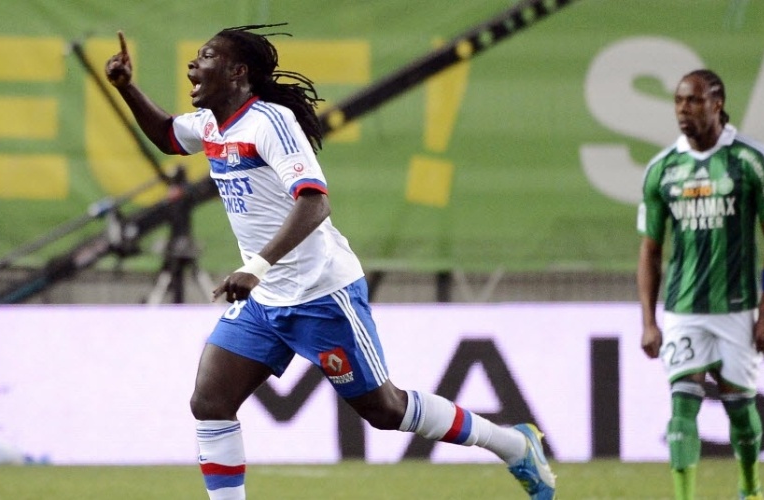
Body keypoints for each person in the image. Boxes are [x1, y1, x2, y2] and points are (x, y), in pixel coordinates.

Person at [104, 24, 556, 500]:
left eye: (207, 56)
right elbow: (167, 135)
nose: (194, 64)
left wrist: (256, 266)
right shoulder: (211, 126)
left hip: (320, 292)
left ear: (238, 72)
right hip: (265, 300)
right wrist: (127, 87)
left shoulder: (270, 122)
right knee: (210, 402)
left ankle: (512, 444)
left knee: (385, 410)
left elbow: (315, 202)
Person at [636, 69, 764, 500]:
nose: (683, 109)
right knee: (681, 410)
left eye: (694, 100)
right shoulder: (662, 169)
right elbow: (649, 249)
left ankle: (750, 488)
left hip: (737, 309)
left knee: (740, 411)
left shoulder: (751, 160)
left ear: (717, 104)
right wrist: (648, 320)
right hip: (682, 310)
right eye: (678, 101)